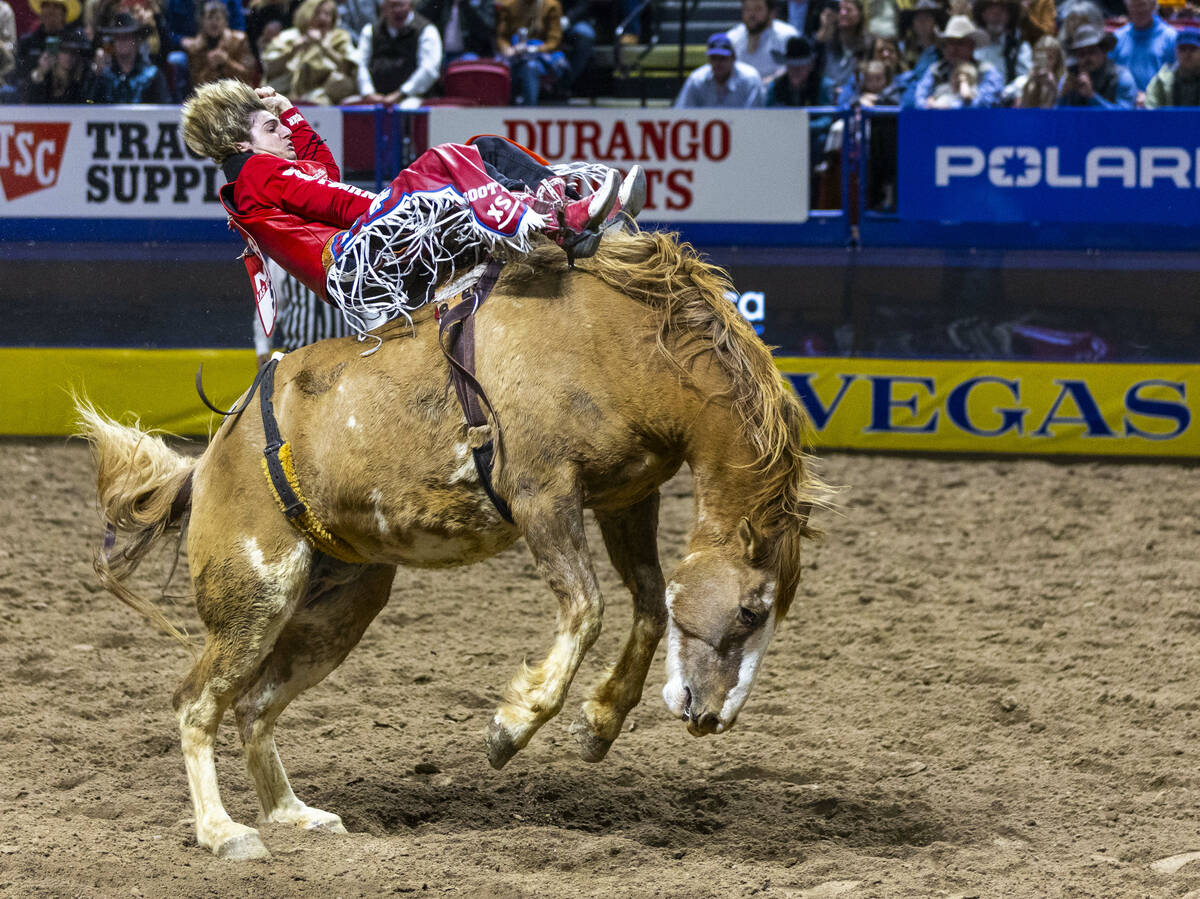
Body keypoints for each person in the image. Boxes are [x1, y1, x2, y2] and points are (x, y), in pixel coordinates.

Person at [181, 81, 645, 332]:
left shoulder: (254, 180)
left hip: (359, 261)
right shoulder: (259, 173)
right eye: (271, 127)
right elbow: (341, 202)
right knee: (443, 159)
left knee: (483, 148)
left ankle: (578, 222)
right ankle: (558, 220)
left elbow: (324, 172)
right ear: (242, 141)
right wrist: (397, 200)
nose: (282, 130)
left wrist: (289, 111)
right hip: (357, 261)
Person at [496, 0, 592, 105]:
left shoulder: (550, 5)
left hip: (542, 57)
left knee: (530, 67)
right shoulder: (508, 5)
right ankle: (502, 110)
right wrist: (507, 49)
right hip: (514, 56)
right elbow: (502, 37)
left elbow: (554, 41)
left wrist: (530, 49)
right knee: (501, 69)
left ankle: (530, 112)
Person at [263, 0, 357, 104]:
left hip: (323, 97)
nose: (322, 18)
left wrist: (324, 47)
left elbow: (349, 69)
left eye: (327, 14)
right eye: (317, 13)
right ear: (305, 14)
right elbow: (269, 69)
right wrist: (292, 52)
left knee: (341, 80)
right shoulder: (288, 37)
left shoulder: (339, 37)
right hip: (287, 95)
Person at [355, 0, 442, 106]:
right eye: (392, 6)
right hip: (375, 97)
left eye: (401, 5)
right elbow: (361, 65)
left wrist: (402, 93)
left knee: (406, 108)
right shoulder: (369, 31)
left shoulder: (427, 31)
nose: (397, 10)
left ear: (410, 5)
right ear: (384, 7)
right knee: (350, 105)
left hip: (414, 97)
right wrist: (368, 93)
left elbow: (429, 69)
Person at [909, 12, 1004, 105]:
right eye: (950, 43)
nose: (953, 49)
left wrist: (948, 106)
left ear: (972, 47)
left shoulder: (986, 71)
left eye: (960, 43)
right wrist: (928, 105)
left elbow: (985, 102)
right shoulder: (935, 71)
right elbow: (919, 99)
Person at [88, 11, 172, 101]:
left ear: (137, 41)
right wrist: (95, 75)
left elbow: (164, 109)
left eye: (126, 37)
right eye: (117, 37)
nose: (121, 41)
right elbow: (90, 107)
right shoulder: (105, 76)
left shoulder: (152, 75)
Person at [674, 31, 766, 107]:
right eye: (714, 58)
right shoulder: (697, 80)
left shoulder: (750, 79)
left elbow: (755, 116)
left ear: (733, 58)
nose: (718, 63)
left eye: (723, 58)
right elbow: (682, 113)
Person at [1056, 22, 1136, 107]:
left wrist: (1092, 96)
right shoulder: (1071, 76)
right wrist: (1063, 96)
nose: (1087, 58)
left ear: (1104, 51)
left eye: (1092, 52)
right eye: (1081, 54)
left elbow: (1125, 116)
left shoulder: (1121, 77)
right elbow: (1059, 115)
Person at [182, 0, 255, 87]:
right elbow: (196, 84)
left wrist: (227, 62)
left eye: (218, 18)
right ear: (202, 22)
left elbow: (248, 75)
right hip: (208, 96)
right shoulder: (195, 47)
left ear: (226, 22)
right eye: (210, 18)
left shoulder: (239, 41)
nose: (214, 23)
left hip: (237, 93)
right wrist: (210, 66)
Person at [1110, 0, 1176, 96]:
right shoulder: (1117, 37)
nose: (1138, 11)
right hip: (1125, 102)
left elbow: (1176, 77)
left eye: (1142, 5)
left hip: (1161, 102)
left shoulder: (1170, 37)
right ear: (1127, 8)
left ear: (1153, 6)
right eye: (1133, 6)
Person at [727, 0, 799, 83]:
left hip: (776, 92)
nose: (751, 15)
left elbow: (793, 70)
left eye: (757, 9)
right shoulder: (732, 38)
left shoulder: (788, 36)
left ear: (772, 13)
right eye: (747, 9)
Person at [19, 23, 92, 99]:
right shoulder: (46, 77)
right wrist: (41, 70)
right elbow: (25, 96)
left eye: (74, 52)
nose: (69, 56)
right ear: (56, 52)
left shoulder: (83, 79)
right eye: (65, 50)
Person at [15, 0, 79, 84]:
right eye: (46, 5)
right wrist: (39, 71)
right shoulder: (27, 42)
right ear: (40, 11)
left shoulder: (75, 40)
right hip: (36, 93)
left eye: (56, 6)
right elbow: (19, 80)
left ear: (64, 13)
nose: (50, 10)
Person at [973, 0, 1030, 84]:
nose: (996, 15)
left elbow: (1024, 78)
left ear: (1009, 16)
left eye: (1002, 11)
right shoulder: (971, 44)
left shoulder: (1020, 47)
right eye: (991, 10)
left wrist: (1008, 92)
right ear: (983, 15)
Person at [418, 0, 493, 64]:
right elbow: (421, 18)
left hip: (469, 53)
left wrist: (465, 5)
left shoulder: (482, 2)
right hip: (438, 54)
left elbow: (487, 33)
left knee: (470, 61)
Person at [766, 33, 834, 103]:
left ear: (811, 66)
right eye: (792, 66)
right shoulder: (775, 88)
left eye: (801, 66)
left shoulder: (823, 87)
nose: (796, 71)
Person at [1144, 24, 1200, 107]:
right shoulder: (1163, 79)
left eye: (1193, 49)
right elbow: (1151, 109)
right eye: (1182, 49)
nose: (1187, 54)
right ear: (1176, 51)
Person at [1001, 32, 1063, 104]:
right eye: (1041, 57)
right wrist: (1029, 84)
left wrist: (1053, 88)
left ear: (1058, 60)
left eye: (1050, 57)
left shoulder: (1063, 82)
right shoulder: (1021, 82)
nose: (1045, 62)